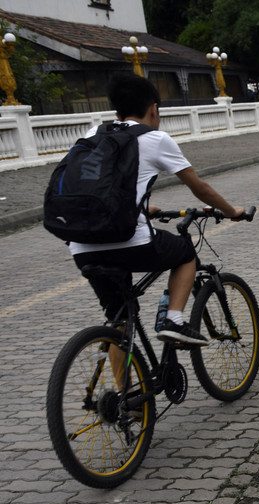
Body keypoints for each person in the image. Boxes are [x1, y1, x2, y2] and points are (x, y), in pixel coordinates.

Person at [67, 74, 246, 345]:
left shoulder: (93, 134)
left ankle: (118, 371)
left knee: (120, 321)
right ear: (153, 109)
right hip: (129, 241)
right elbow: (200, 189)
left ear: (116, 110)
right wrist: (232, 211)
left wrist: (136, 207)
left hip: (82, 245)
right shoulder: (155, 138)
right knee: (185, 253)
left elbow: (92, 184)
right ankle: (174, 320)